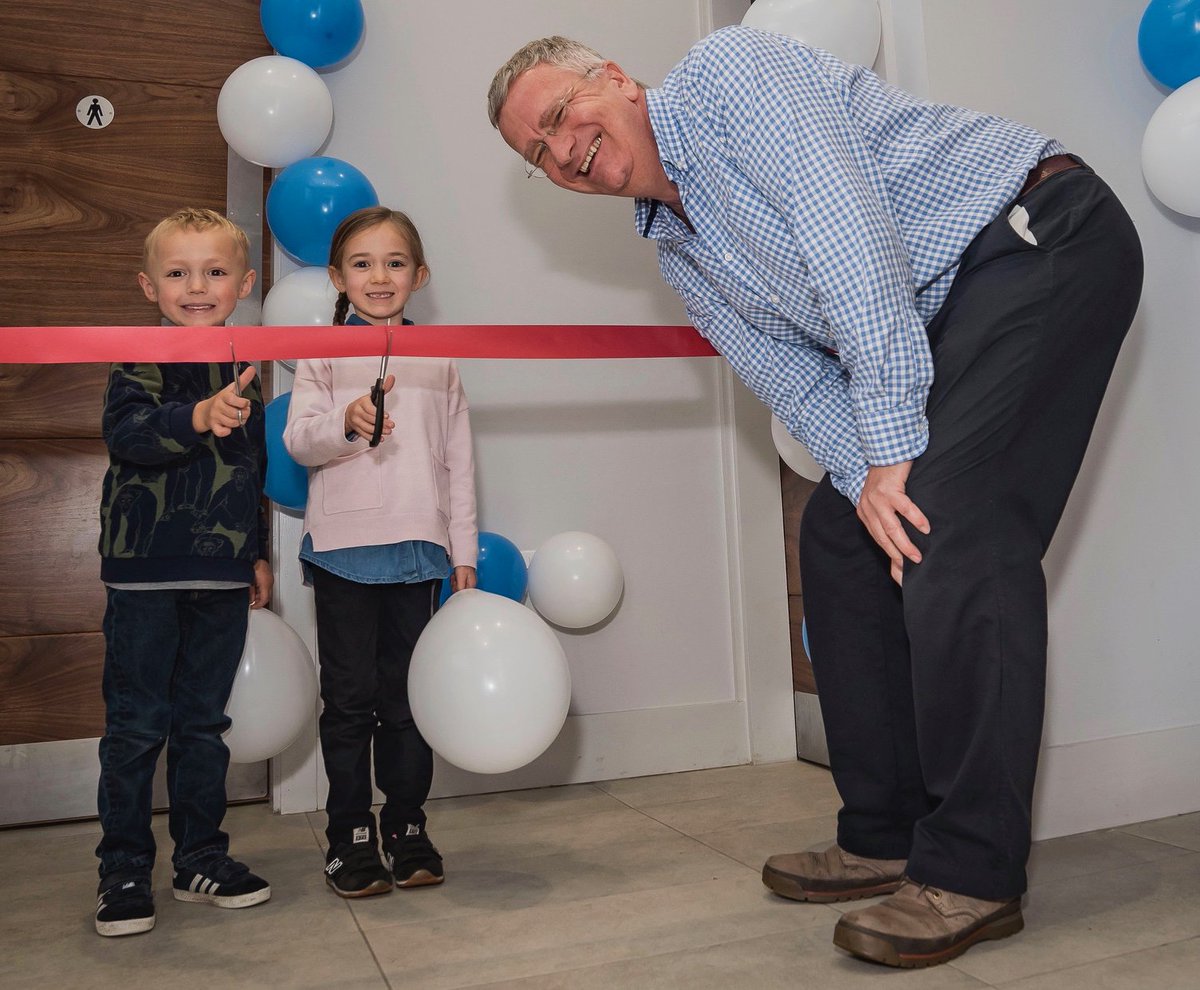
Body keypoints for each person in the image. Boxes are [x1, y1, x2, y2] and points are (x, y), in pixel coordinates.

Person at [488, 27, 1143, 967]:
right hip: (948, 308)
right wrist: (869, 476)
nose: (561, 152)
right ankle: (883, 834)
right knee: (844, 534)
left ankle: (973, 870)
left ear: (618, 82)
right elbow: (792, 379)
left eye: (559, 116)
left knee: (949, 524)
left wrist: (893, 457)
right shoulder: (677, 249)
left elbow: (852, 245)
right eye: (537, 155)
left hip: (1039, 235)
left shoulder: (727, 76)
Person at [283, 206, 479, 898]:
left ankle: (406, 826)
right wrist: (346, 422)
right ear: (337, 277)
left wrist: (464, 547)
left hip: (420, 552)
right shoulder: (323, 352)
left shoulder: (441, 356)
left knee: (407, 701)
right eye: (362, 264)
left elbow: (458, 456)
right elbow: (300, 441)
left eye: (395, 263)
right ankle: (350, 834)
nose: (379, 276)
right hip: (342, 552)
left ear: (419, 275)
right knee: (350, 701)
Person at [95, 207, 273, 937]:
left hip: (224, 572)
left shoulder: (250, 364)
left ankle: (201, 855)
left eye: (215, 271)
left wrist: (255, 548)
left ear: (245, 283)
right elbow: (128, 434)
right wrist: (197, 416)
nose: (196, 286)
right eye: (177, 273)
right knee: (138, 727)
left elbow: (249, 467)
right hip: (143, 572)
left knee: (203, 724)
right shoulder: (138, 354)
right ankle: (124, 869)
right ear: (149, 286)